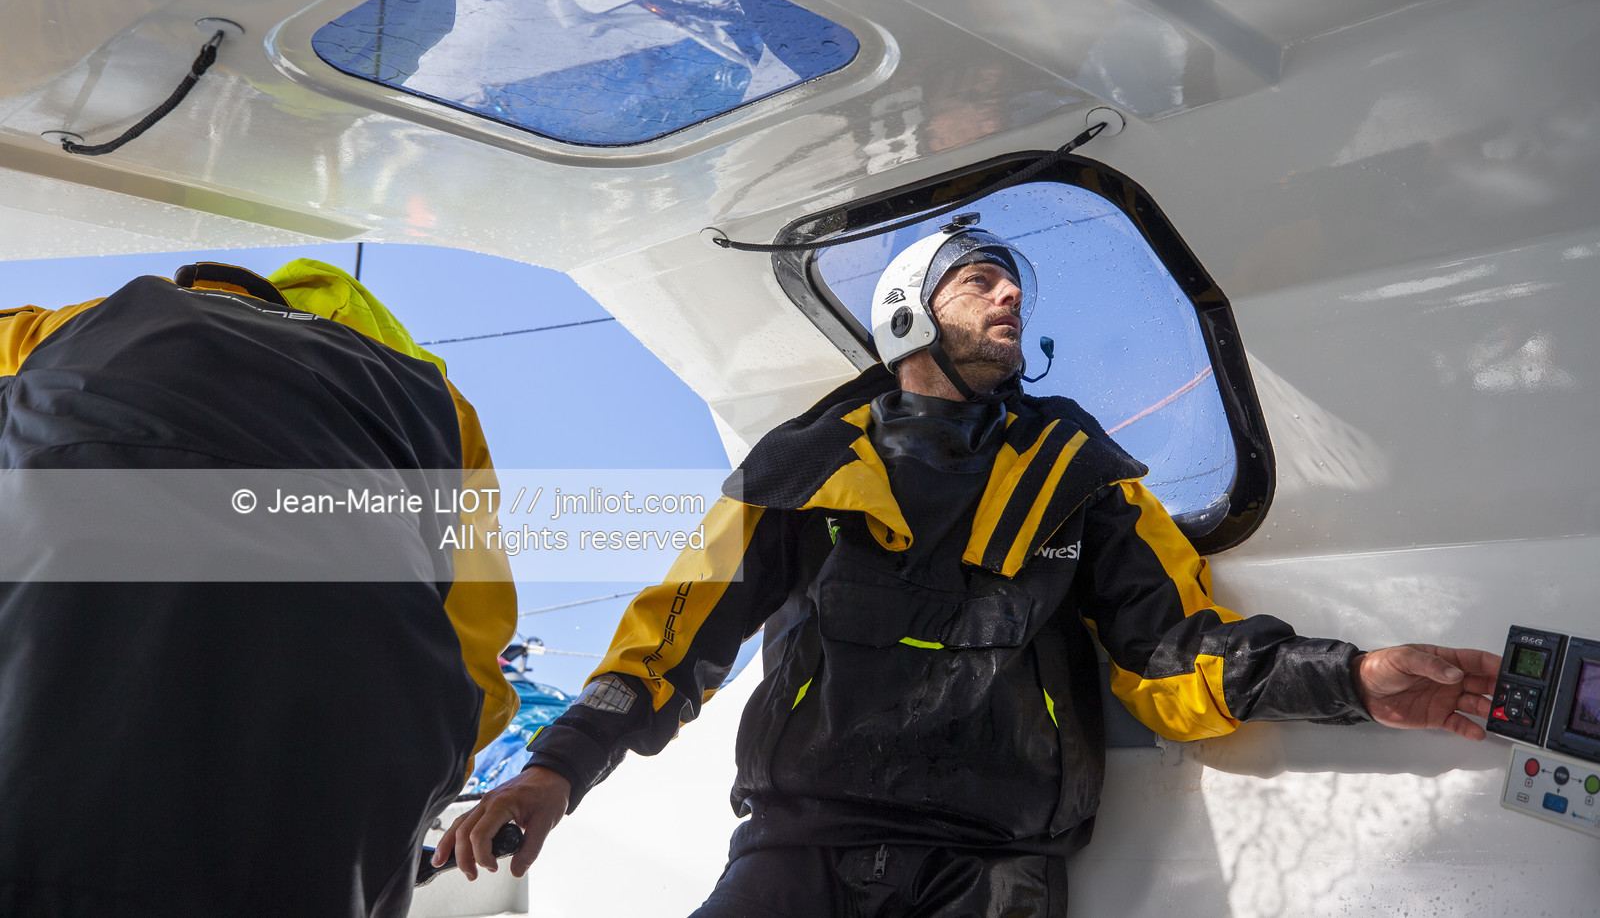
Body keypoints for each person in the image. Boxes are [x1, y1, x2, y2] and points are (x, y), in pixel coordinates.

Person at [436, 223, 1499, 916]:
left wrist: (1351, 679)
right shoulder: (806, 466)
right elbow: (674, 640)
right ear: (908, 310)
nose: (1009, 302)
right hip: (797, 854)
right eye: (980, 280)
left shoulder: (1081, 472)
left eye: (1012, 288)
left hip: (992, 874)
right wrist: (556, 769)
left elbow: (1173, 657)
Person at [0, 260, 518, 918]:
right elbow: (476, 637)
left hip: (63, 646)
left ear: (197, 289)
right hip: (355, 713)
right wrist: (419, 797)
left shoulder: (84, 321)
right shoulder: (434, 397)